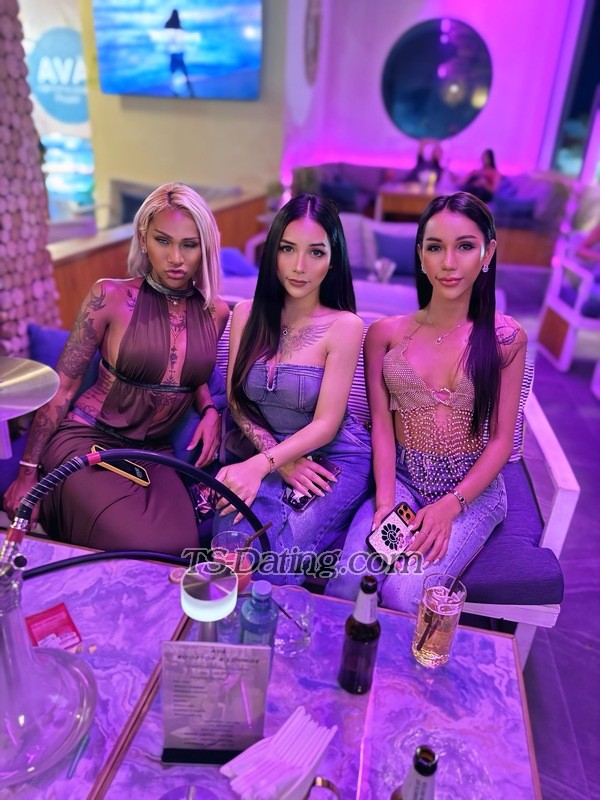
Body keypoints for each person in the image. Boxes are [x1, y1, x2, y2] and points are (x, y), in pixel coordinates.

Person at [326, 191, 527, 613]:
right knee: (349, 580)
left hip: (471, 491)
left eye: (465, 246)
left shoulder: (506, 338)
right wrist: (385, 501)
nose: (449, 262)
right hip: (403, 480)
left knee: (403, 595)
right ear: (420, 255)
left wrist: (450, 507)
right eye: (435, 247)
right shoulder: (385, 334)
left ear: (488, 252)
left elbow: (501, 442)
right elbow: (382, 427)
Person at [4, 183, 229, 554]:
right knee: (138, 544)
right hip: (89, 439)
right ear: (143, 238)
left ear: (204, 248)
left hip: (153, 454)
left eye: (189, 245)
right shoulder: (109, 296)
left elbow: (189, 373)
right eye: (163, 241)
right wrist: (28, 472)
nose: (176, 258)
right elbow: (64, 387)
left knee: (182, 547)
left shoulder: (215, 312)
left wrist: (208, 410)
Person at [214, 193, 372, 583]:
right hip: (270, 449)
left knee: (278, 553)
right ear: (272, 252)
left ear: (333, 259)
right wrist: (275, 459)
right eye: (287, 249)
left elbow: (326, 425)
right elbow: (236, 400)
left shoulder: (345, 326)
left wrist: (260, 464)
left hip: (333, 457)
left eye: (315, 252)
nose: (299, 267)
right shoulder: (245, 314)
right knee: (229, 538)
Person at [164, 9, 194, 97]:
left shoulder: (168, 25)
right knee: (184, 73)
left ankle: (174, 93)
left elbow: (166, 39)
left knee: (173, 73)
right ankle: (191, 92)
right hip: (179, 53)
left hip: (173, 53)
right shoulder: (179, 26)